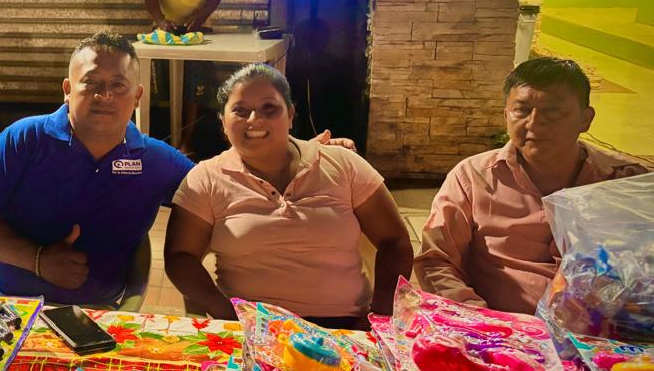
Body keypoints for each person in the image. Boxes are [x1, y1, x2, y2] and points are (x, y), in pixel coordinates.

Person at [0, 32, 195, 306]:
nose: (104, 95)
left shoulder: (157, 161)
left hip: (97, 313)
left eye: (118, 85)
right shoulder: (24, 140)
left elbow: (214, 197)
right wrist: (38, 260)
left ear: (138, 95)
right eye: (91, 82)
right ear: (67, 90)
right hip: (1, 300)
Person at [164, 64, 413, 328]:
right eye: (240, 110)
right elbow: (180, 256)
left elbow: (394, 240)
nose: (254, 119)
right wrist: (227, 314)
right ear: (223, 123)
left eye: (269, 108)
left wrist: (380, 317)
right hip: (251, 328)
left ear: (291, 114)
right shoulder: (206, 178)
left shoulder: (342, 164)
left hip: (343, 330)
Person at [415, 57, 649, 314]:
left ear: (585, 119)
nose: (535, 123)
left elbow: (644, 273)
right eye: (522, 110)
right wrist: (478, 317)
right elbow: (436, 262)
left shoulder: (623, 182)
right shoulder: (473, 177)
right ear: (506, 115)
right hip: (496, 328)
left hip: (600, 332)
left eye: (553, 111)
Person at [141, 0, 229, 149]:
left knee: (195, 88)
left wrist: (200, 18)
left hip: (201, 28)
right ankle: (164, 141)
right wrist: (160, 20)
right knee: (165, 87)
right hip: (165, 29)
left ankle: (186, 142)